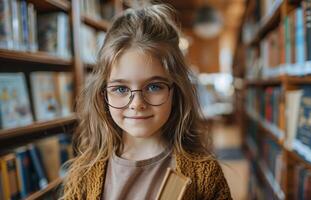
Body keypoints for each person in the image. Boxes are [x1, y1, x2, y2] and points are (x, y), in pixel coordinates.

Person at [62, 4, 232, 200]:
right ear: (103, 95)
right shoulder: (83, 173)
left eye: (154, 87)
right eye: (121, 89)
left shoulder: (205, 174)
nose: (137, 103)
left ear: (175, 91)